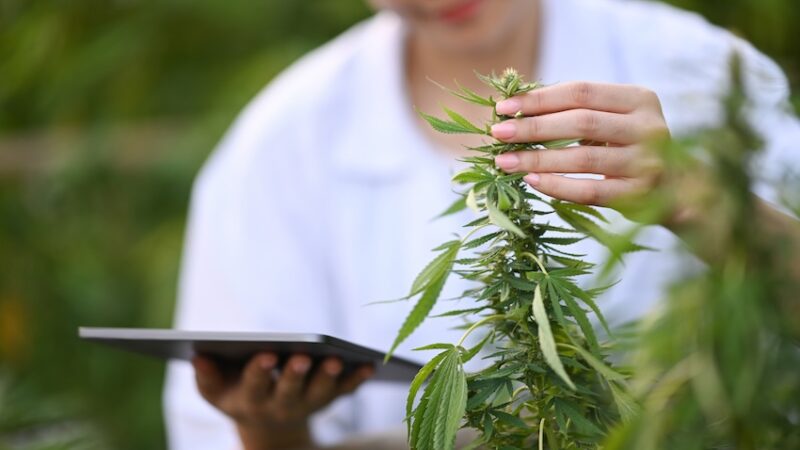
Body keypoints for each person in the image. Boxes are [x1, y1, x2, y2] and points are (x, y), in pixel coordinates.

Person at [163, 0, 800, 448]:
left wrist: (700, 201)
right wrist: (268, 428)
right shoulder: (283, 140)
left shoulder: (702, 68)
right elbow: (210, 430)